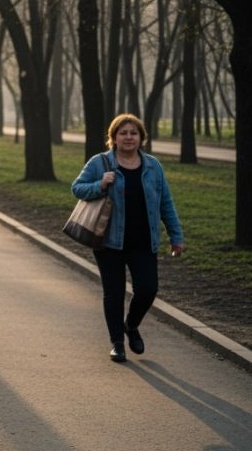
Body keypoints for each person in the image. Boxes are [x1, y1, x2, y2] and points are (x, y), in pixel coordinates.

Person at [71, 114, 183, 363]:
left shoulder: (153, 166)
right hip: (108, 241)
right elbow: (77, 188)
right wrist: (99, 184)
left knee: (148, 289)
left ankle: (131, 325)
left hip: (144, 242)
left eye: (134, 133)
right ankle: (117, 343)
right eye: (123, 133)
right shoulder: (100, 163)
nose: (129, 137)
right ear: (113, 138)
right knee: (114, 292)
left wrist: (176, 236)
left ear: (141, 137)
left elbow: (166, 202)